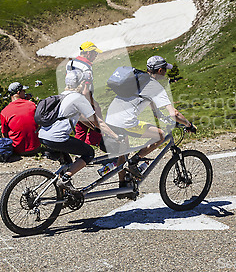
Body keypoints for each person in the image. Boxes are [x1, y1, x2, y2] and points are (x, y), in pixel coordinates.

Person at [105, 55, 196, 197]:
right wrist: (189, 125)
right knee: (160, 135)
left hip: (110, 117)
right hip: (125, 121)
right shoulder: (155, 87)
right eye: (165, 70)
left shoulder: (138, 77)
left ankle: (123, 187)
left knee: (124, 151)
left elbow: (153, 106)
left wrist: (160, 116)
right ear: (160, 70)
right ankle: (135, 161)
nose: (166, 73)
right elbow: (174, 113)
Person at [39, 69, 119, 193]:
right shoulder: (78, 98)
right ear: (81, 83)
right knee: (89, 153)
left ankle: (64, 194)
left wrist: (95, 129)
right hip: (58, 138)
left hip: (44, 135)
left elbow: (81, 118)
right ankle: (65, 179)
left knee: (67, 163)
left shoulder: (62, 95)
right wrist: (115, 136)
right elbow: (99, 121)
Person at [66, 41, 105, 149]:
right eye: (95, 53)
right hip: (83, 99)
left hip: (72, 98)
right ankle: (91, 145)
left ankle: (78, 151)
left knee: (80, 126)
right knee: (97, 121)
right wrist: (94, 104)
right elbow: (85, 92)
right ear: (88, 53)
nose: (96, 56)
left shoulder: (70, 63)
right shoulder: (86, 68)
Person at [0, 82, 41, 155]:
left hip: (17, 150)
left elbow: (4, 134)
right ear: (18, 92)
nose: (25, 93)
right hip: (36, 147)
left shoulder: (4, 112)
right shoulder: (32, 105)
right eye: (23, 91)